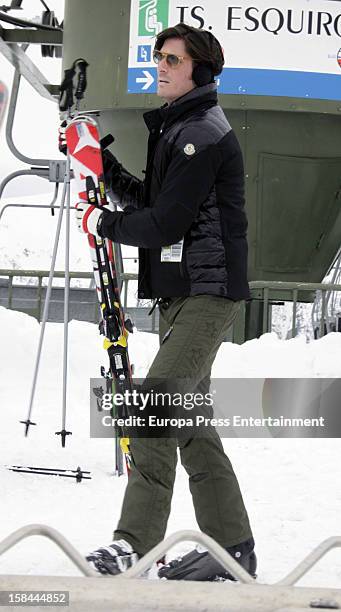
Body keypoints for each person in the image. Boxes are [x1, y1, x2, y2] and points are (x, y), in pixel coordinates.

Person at [75, 22, 256, 581]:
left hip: (208, 292)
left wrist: (103, 222)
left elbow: (167, 222)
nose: (161, 65)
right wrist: (102, 166)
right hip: (182, 296)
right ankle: (233, 552)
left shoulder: (202, 131)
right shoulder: (177, 128)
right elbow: (154, 201)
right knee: (192, 426)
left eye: (172, 60)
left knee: (153, 403)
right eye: (159, 57)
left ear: (199, 71)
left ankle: (134, 544)